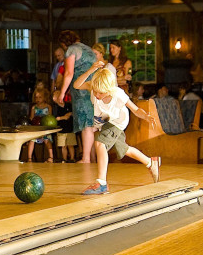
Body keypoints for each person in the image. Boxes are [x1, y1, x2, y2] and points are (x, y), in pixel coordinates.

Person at [72, 66, 159, 195]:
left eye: (101, 93)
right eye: (95, 91)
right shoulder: (94, 87)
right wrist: (90, 71)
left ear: (109, 89)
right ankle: (151, 163)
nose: (97, 95)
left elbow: (135, 109)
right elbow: (77, 85)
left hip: (117, 122)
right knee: (124, 149)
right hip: (107, 122)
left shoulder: (118, 94)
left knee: (100, 143)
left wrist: (146, 116)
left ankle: (101, 183)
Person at [56, 30, 96, 163]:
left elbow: (68, 73)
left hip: (81, 90)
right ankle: (93, 158)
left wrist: (62, 92)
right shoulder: (88, 49)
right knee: (92, 124)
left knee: (86, 125)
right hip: (93, 89)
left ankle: (85, 158)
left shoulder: (72, 50)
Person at [25, 88, 54, 163]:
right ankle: (29, 158)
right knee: (32, 140)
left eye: (40, 97)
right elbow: (31, 118)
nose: (38, 99)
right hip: (36, 128)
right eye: (36, 97)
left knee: (47, 140)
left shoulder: (48, 107)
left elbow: (50, 117)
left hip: (45, 128)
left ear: (45, 98)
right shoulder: (34, 107)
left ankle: (51, 157)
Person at [52, 88, 75, 162]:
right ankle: (64, 159)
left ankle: (72, 158)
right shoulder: (55, 108)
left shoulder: (68, 105)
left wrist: (70, 113)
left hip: (70, 129)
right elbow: (55, 118)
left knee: (70, 145)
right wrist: (63, 117)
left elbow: (73, 112)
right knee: (63, 146)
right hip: (61, 130)